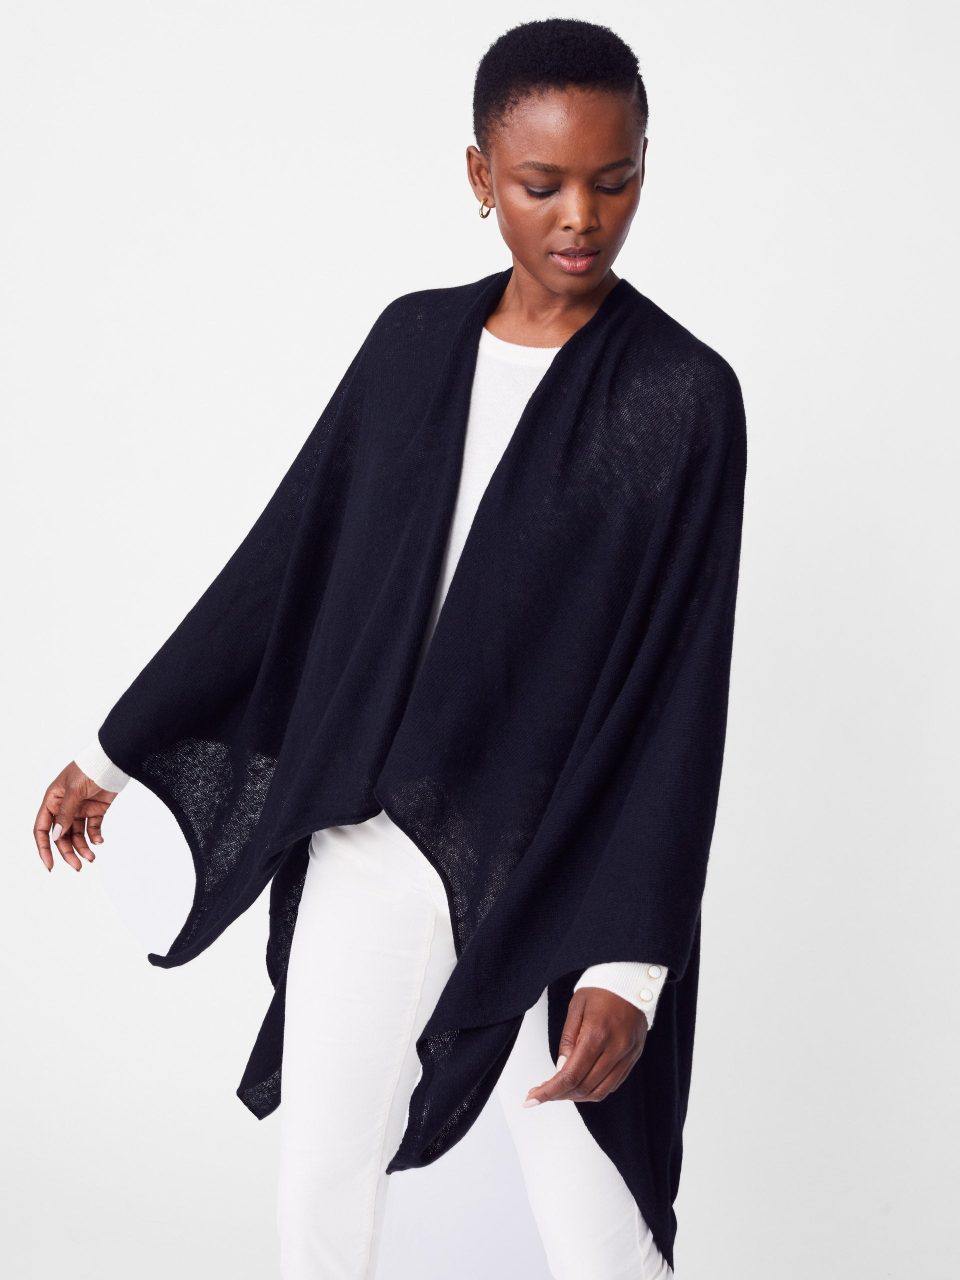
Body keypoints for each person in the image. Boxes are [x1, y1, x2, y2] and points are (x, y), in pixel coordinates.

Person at [34, 19, 746, 1280]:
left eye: (614, 178)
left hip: (565, 862)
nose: (581, 217)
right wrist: (115, 747)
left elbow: (682, 690)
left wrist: (631, 961)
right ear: (480, 175)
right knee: (321, 1183)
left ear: (647, 163)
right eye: (541, 184)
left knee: (598, 1229)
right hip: (376, 841)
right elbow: (284, 567)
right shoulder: (412, 347)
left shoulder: (682, 396)